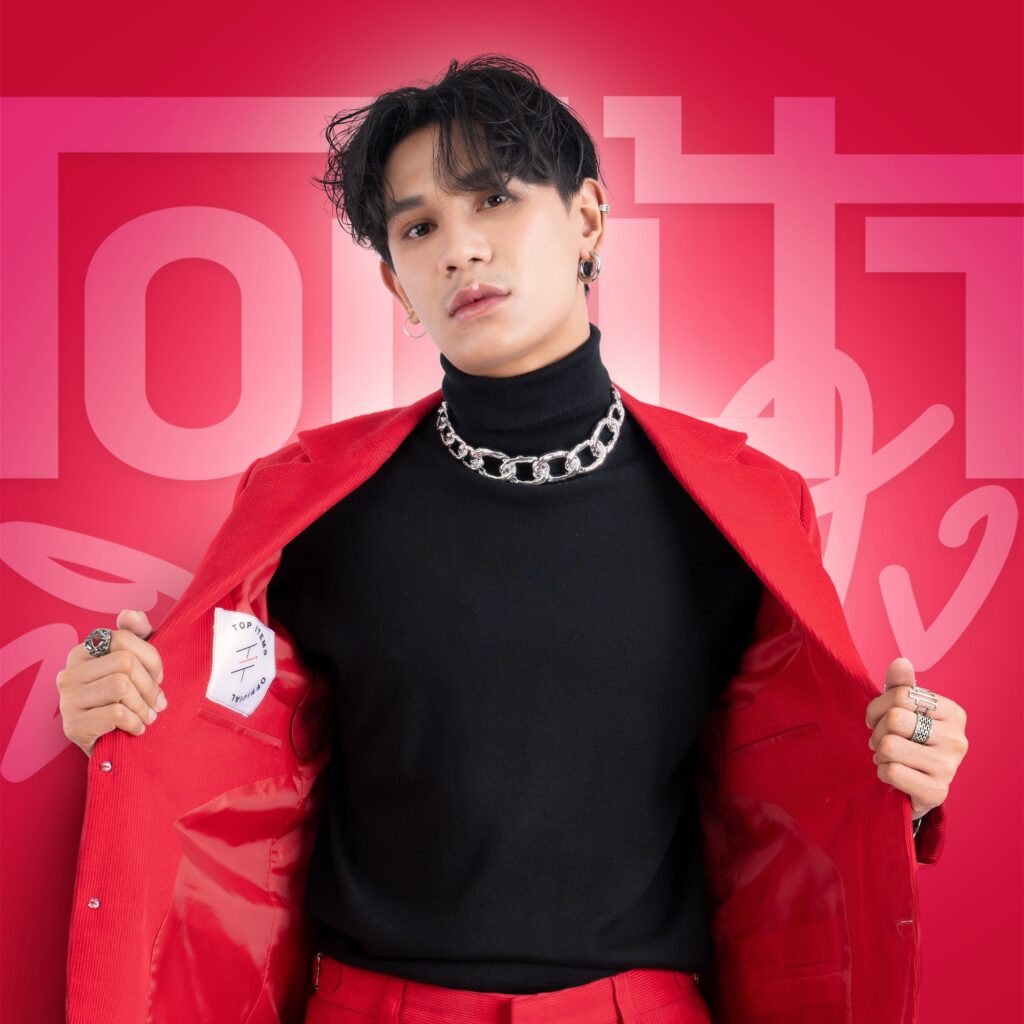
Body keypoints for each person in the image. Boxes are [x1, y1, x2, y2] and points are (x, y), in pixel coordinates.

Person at [59, 55, 967, 1024]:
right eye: (419, 227)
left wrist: (899, 782)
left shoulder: (742, 510)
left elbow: (780, 792)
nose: (460, 248)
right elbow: (227, 752)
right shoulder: (308, 505)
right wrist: (119, 709)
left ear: (588, 220)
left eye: (494, 198)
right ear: (397, 284)